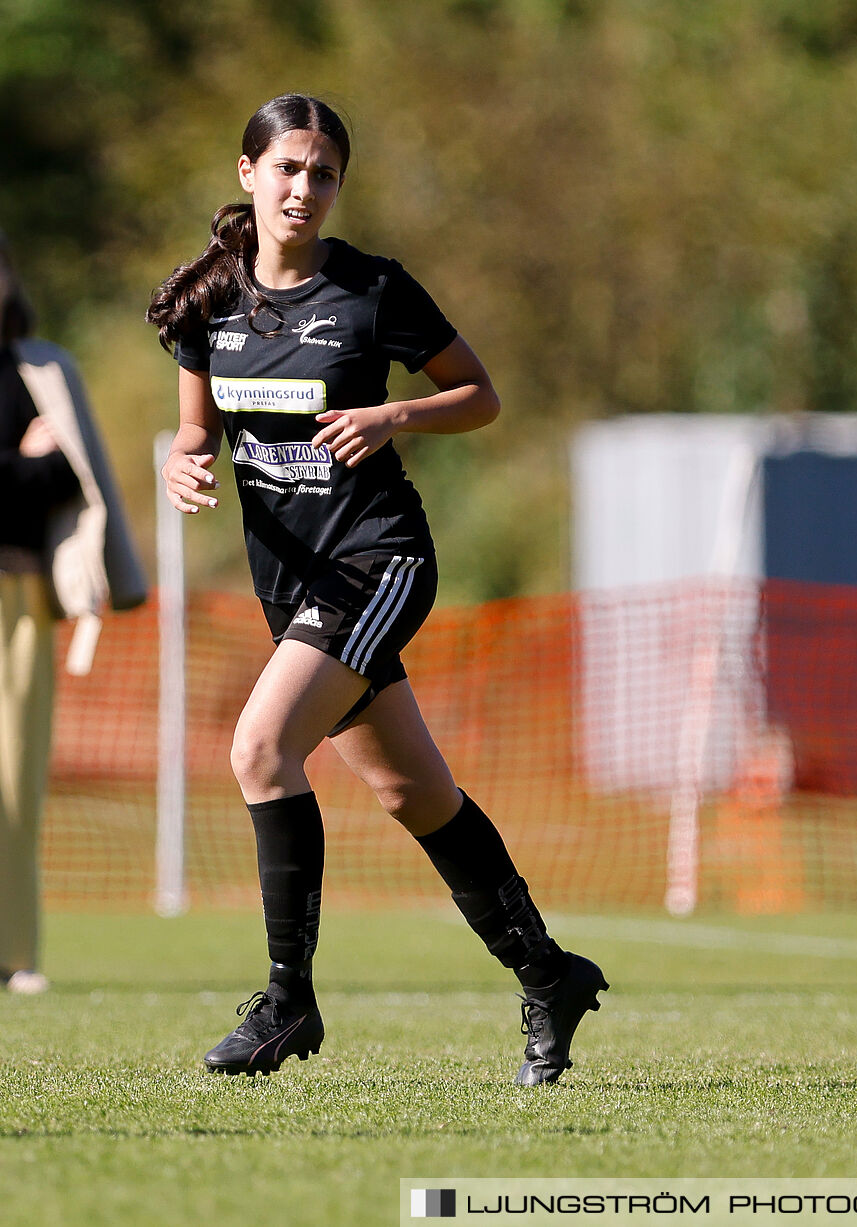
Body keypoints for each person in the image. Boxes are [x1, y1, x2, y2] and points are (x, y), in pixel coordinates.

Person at [145, 95, 605, 1082]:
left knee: (261, 748)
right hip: (293, 586)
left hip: (380, 560)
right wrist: (186, 462)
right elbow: (194, 427)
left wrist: (394, 414)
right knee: (413, 793)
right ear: (247, 173)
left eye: (322, 173)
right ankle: (547, 973)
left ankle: (285, 1002)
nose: (303, 188)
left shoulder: (371, 290)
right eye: (287, 169)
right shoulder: (207, 304)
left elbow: (480, 395)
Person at [1, 232, 145, 996]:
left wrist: (29, 466)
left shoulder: (44, 367)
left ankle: (16, 952)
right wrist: (24, 462)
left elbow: (73, 475)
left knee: (18, 777)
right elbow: (30, 474)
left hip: (19, 594)